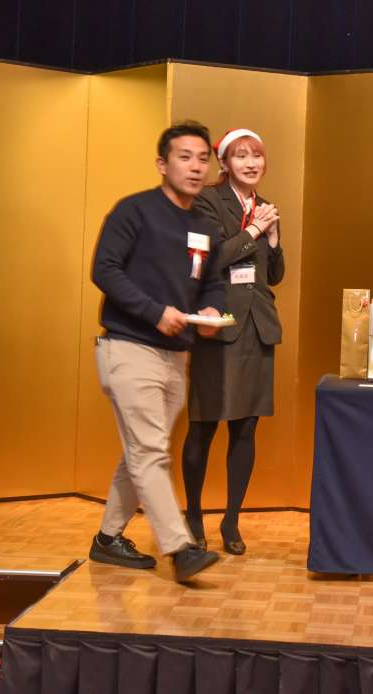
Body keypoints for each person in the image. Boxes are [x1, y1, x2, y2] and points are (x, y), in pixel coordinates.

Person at [88, 120, 225, 583]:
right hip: (128, 347)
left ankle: (107, 539)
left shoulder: (205, 225)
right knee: (149, 450)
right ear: (162, 164)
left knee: (142, 450)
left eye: (203, 159)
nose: (195, 167)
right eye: (185, 157)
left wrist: (212, 310)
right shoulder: (135, 211)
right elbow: (105, 270)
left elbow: (213, 283)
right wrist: (153, 312)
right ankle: (180, 548)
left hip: (176, 355)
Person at [184, 128, 285, 556]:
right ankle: (192, 515)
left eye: (256, 156)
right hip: (219, 324)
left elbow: (273, 276)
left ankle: (231, 520)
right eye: (241, 156)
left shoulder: (265, 206)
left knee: (246, 429)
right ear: (224, 163)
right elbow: (209, 260)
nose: (251, 163)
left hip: (258, 328)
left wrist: (274, 241)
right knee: (204, 426)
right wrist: (256, 231)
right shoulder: (208, 201)